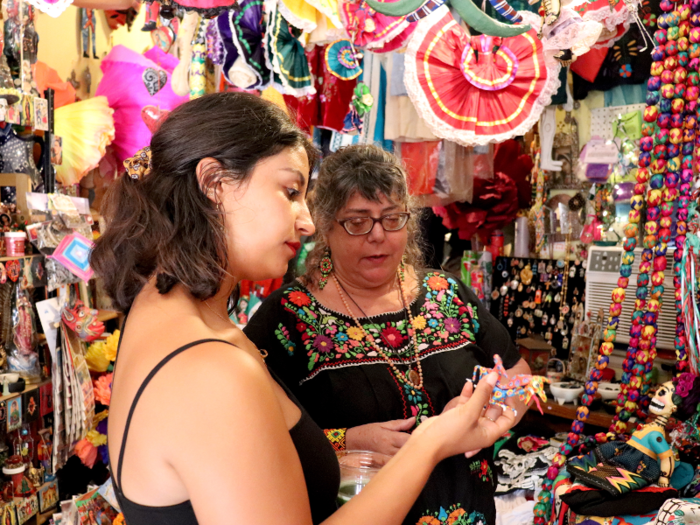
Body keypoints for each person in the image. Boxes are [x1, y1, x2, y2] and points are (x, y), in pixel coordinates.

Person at [92, 93, 515, 525]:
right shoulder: (209, 365)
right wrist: (430, 443)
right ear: (214, 183)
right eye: (290, 191)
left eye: (392, 218)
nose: (307, 221)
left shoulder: (173, 318)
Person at [244, 144, 531, 525]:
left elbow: (518, 374)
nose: (378, 235)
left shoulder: (447, 294)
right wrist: (348, 441)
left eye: (392, 218)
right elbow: (253, 441)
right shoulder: (288, 317)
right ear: (326, 225)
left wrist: (485, 418)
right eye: (358, 221)